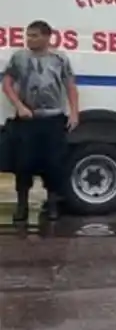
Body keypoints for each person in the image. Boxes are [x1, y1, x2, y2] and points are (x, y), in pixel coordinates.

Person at [2, 19, 79, 222]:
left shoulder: (59, 59)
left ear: (47, 37)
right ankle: (22, 206)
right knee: (23, 163)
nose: (30, 39)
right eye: (28, 35)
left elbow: (70, 85)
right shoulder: (19, 58)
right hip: (27, 119)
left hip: (53, 118)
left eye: (35, 36)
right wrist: (19, 106)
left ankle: (52, 204)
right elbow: (7, 84)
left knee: (54, 163)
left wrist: (74, 113)